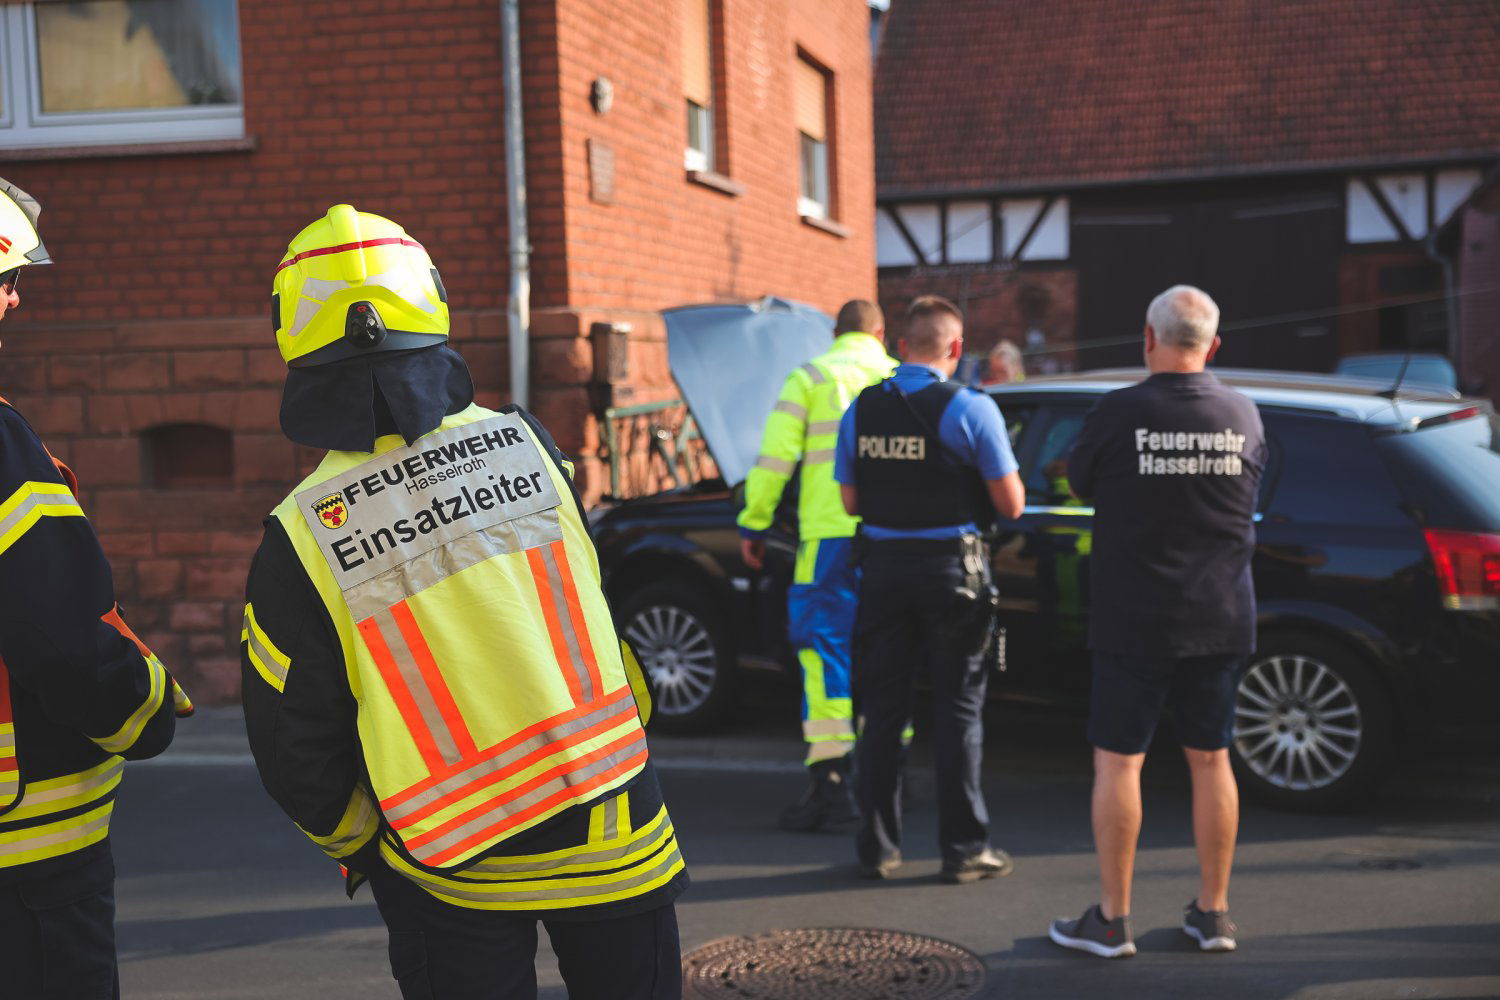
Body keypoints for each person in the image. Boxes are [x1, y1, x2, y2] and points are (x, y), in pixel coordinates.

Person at [241, 205, 686, 1000]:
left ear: (294, 340)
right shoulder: (533, 445)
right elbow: (595, 607)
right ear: (432, 302)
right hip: (612, 813)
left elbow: (292, 742)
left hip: (447, 859)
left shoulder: (300, 532)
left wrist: (361, 846)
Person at [0, 177, 192, 998]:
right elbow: (68, 646)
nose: (11, 300)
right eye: (3, 280)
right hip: (28, 860)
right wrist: (148, 706)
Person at [1048, 285, 1266, 958]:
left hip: (1134, 616)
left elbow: (1077, 480)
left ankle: (1112, 922)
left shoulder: (1117, 413)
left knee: (1120, 762)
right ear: (1213, 345)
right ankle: (1214, 915)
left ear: (1148, 338)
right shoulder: (1244, 414)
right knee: (1211, 758)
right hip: (1221, 612)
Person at [835, 294, 1024, 883]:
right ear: (956, 349)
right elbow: (1011, 504)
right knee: (958, 712)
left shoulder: (861, 409)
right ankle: (964, 850)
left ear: (899, 346)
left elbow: (850, 501)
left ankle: (878, 848)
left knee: (883, 713)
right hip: (953, 578)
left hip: (883, 572)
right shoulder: (970, 408)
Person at [738, 299, 895, 831]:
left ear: (835, 331)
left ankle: (833, 782)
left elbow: (774, 460)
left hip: (827, 539)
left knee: (824, 651)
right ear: (879, 331)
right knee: (888, 647)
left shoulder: (810, 377)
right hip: (890, 538)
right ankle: (888, 774)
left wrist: (754, 523)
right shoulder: (899, 378)